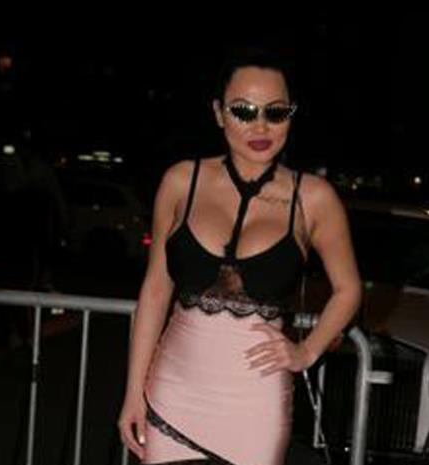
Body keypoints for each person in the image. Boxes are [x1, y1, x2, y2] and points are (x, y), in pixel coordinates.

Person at [117, 46, 362, 465]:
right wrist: (132, 392)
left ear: (291, 115)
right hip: (174, 389)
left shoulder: (313, 198)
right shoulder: (181, 181)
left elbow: (348, 289)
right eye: (244, 111)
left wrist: (307, 351)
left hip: (256, 401)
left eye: (275, 112)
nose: (260, 126)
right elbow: (156, 291)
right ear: (218, 113)